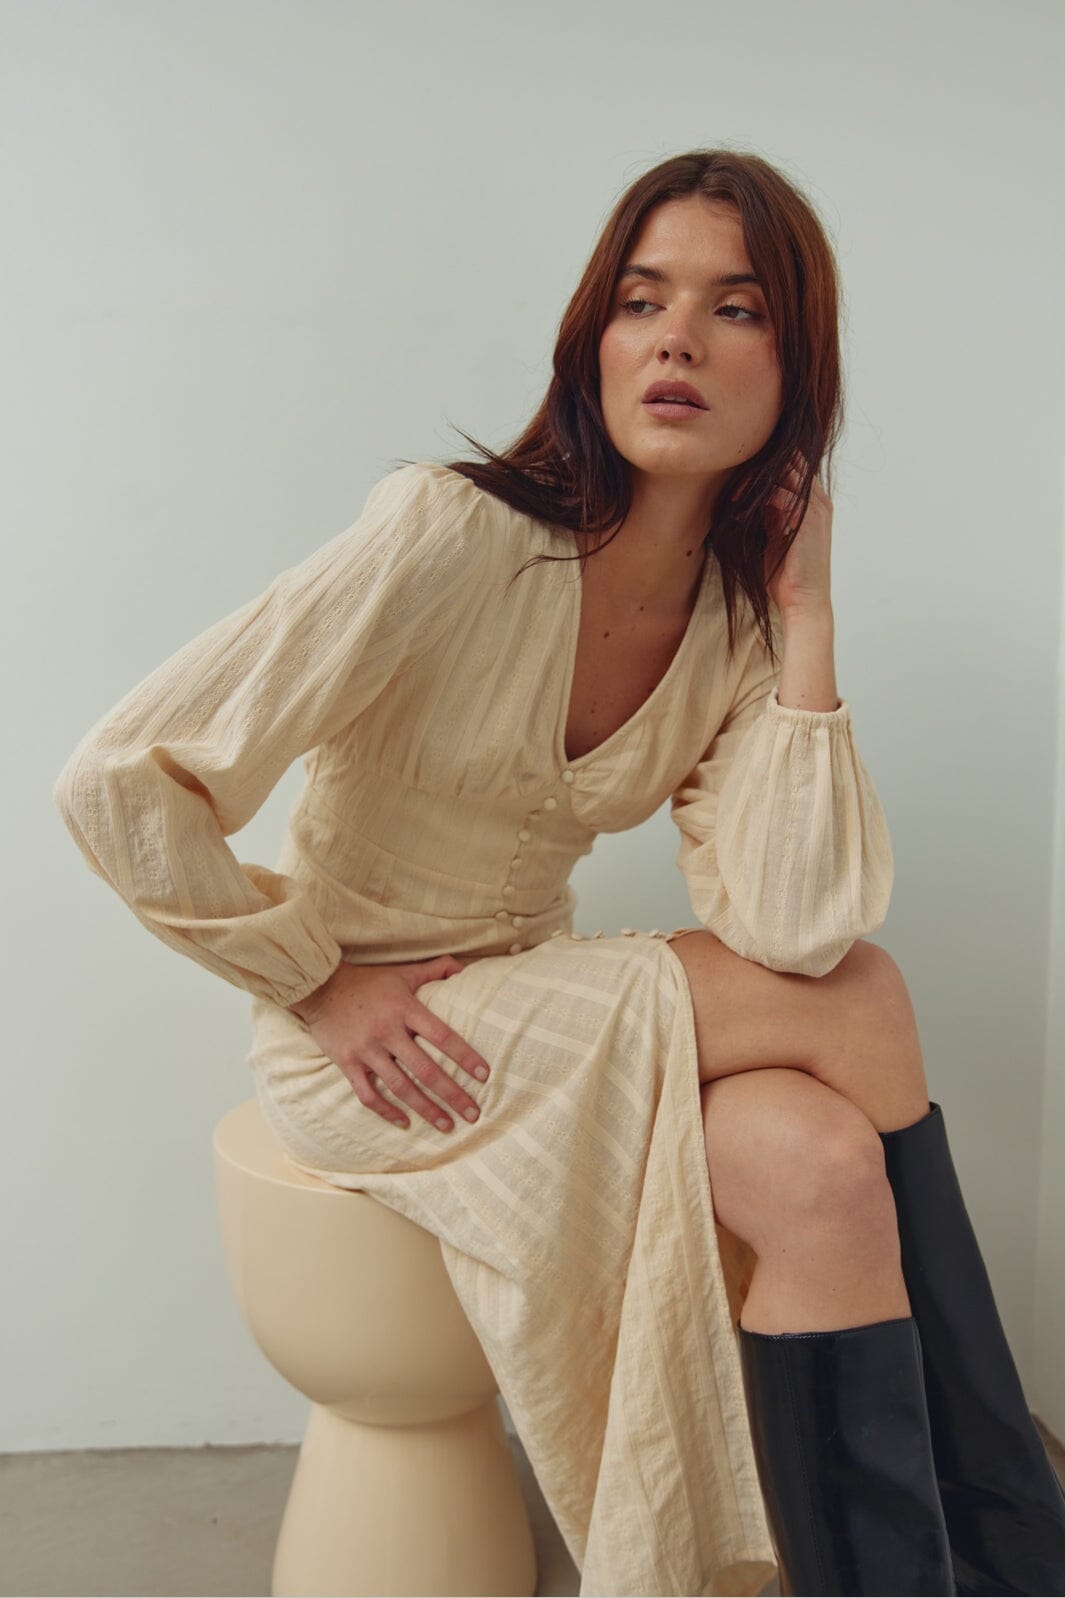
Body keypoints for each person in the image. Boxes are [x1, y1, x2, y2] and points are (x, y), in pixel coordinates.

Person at [52, 148, 1065, 1597]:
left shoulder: (734, 623)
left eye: (734, 309)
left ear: (797, 372)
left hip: (531, 1010)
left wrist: (805, 615)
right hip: (381, 1045)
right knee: (866, 1003)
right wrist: (315, 980)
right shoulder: (449, 533)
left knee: (821, 1163)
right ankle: (1016, 1535)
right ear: (593, 338)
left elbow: (791, 922)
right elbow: (119, 778)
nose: (675, 339)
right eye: (641, 301)